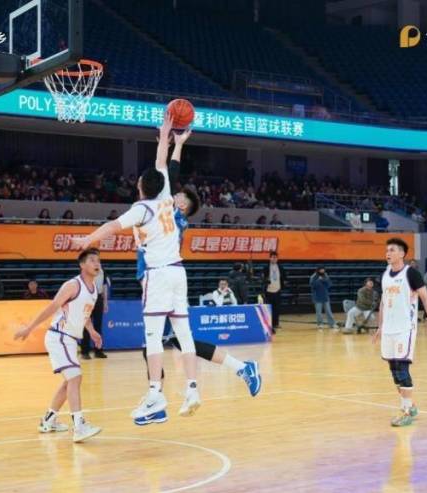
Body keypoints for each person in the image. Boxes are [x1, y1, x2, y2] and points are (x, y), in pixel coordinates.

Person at [72, 116, 200, 424]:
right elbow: (162, 163)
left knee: (153, 336)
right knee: (184, 332)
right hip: (178, 271)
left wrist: (87, 239)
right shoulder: (167, 198)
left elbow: (111, 227)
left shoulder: (141, 209)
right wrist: (168, 137)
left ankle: (155, 394)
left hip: (157, 274)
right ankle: (193, 388)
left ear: (140, 186)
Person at [129, 126, 260, 425]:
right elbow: (166, 174)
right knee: (181, 342)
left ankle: (156, 399)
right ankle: (242, 368)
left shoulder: (172, 214)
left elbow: (168, 172)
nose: (172, 193)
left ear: (183, 205)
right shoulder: (165, 211)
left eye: (177, 195)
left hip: (161, 280)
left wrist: (172, 144)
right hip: (159, 279)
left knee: (155, 344)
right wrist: (175, 144)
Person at [14, 248, 103, 443]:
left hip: (69, 339)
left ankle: (48, 420)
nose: (97, 263)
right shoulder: (72, 285)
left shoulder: (94, 289)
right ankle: (79, 426)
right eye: (92, 260)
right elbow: (53, 306)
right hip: (59, 336)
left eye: (98, 260)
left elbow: (85, 314)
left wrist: (92, 331)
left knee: (69, 381)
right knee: (75, 378)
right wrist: (29, 328)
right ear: (82, 265)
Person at [373, 238, 427, 427]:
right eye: (387, 250)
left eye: (392, 250)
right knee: (394, 371)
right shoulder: (385, 275)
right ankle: (410, 405)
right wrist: (380, 327)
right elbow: (383, 303)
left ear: (402, 254)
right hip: (388, 330)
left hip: (405, 329)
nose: (388, 253)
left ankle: (406, 411)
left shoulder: (411, 273)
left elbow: (425, 298)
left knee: (402, 370)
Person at [81, 266, 110, 360]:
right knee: (87, 326)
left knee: (98, 325)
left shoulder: (102, 270)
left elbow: (104, 286)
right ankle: (85, 352)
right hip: (88, 298)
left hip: (99, 298)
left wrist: (105, 302)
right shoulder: (86, 269)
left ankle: (98, 351)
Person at [262, 251, 286, 332]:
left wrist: (283, 283)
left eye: (275, 257)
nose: (274, 259)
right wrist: (265, 280)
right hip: (269, 290)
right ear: (270, 258)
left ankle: (276, 323)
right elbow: (263, 278)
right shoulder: (266, 267)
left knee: (277, 308)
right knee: (269, 308)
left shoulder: (280, 267)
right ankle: (270, 323)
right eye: (272, 257)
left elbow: (284, 277)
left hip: (277, 290)